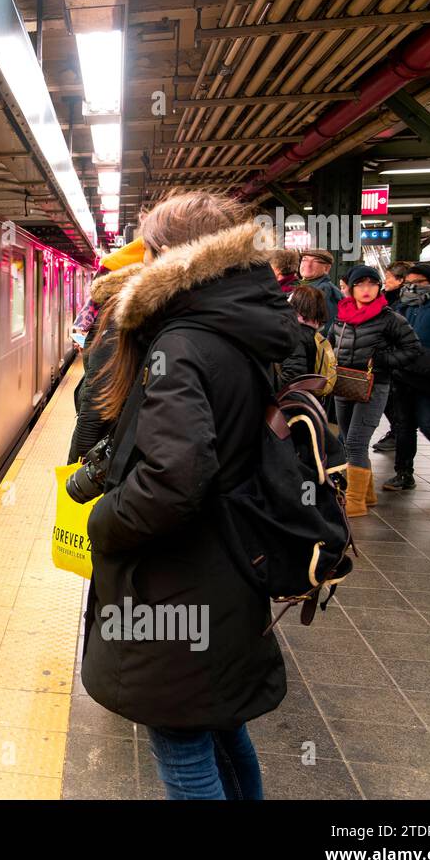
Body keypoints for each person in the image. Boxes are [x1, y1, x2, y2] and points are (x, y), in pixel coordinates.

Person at [83, 193, 298, 800]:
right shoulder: (238, 329)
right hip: (228, 571)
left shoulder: (181, 344)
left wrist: (105, 520)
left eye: (149, 249)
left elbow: (174, 480)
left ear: (175, 259)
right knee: (225, 734)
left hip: (179, 584)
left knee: (183, 752)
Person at [333, 265, 421, 516]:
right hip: (344, 383)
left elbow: (413, 349)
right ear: (351, 288)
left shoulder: (389, 318)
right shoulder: (342, 316)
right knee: (351, 443)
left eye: (372, 284)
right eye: (360, 284)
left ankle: (355, 501)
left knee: (356, 442)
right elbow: (331, 344)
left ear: (378, 287)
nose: (366, 289)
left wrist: (383, 360)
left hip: (375, 386)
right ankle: (367, 495)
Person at [383, 263, 430, 491]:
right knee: (404, 425)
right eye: (409, 282)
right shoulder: (403, 306)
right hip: (404, 375)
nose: (412, 287)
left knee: (429, 424)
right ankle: (403, 474)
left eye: (418, 283)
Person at [68, 263, 142, 464]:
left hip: (106, 439)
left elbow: (97, 399)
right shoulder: (125, 308)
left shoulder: (112, 312)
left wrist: (76, 463)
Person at [373, 261, 414, 451]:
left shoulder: (402, 303)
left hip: (396, 361)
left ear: (400, 280)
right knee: (389, 401)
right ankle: (397, 431)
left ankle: (399, 433)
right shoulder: (388, 299)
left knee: (395, 402)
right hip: (390, 360)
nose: (385, 281)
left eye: (389, 277)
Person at [277, 285, 333, 402]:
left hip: (289, 401)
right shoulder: (311, 333)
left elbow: (293, 374)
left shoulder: (296, 335)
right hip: (306, 398)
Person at [298, 248, 342, 338]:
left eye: (315, 261)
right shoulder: (306, 286)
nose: (308, 265)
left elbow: (325, 329)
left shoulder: (323, 290)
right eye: (305, 260)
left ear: (326, 268)